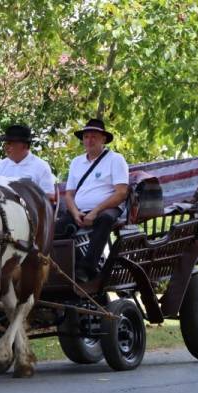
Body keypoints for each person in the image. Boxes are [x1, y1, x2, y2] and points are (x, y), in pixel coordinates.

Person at [60, 118, 129, 281]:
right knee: (56, 228)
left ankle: (87, 269)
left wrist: (95, 211)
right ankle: (65, 268)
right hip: (79, 209)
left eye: (93, 136)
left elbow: (121, 193)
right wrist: (75, 213)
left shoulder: (116, 159)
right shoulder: (76, 162)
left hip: (107, 208)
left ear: (103, 139)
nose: (89, 140)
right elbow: (69, 194)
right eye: (86, 137)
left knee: (104, 219)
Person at [0, 124, 56, 199]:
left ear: (25, 146)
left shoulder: (41, 167)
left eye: (10, 143)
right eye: (6, 143)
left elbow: (49, 198)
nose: (6, 147)